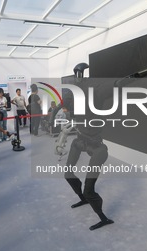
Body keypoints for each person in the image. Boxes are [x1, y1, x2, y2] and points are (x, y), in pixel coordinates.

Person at [51, 63, 114, 231]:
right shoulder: (73, 107)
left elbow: (117, 85)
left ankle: (103, 217)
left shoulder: (93, 100)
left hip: (97, 148)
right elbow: (62, 116)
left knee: (89, 190)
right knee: (68, 173)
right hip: (79, 142)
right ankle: (83, 197)